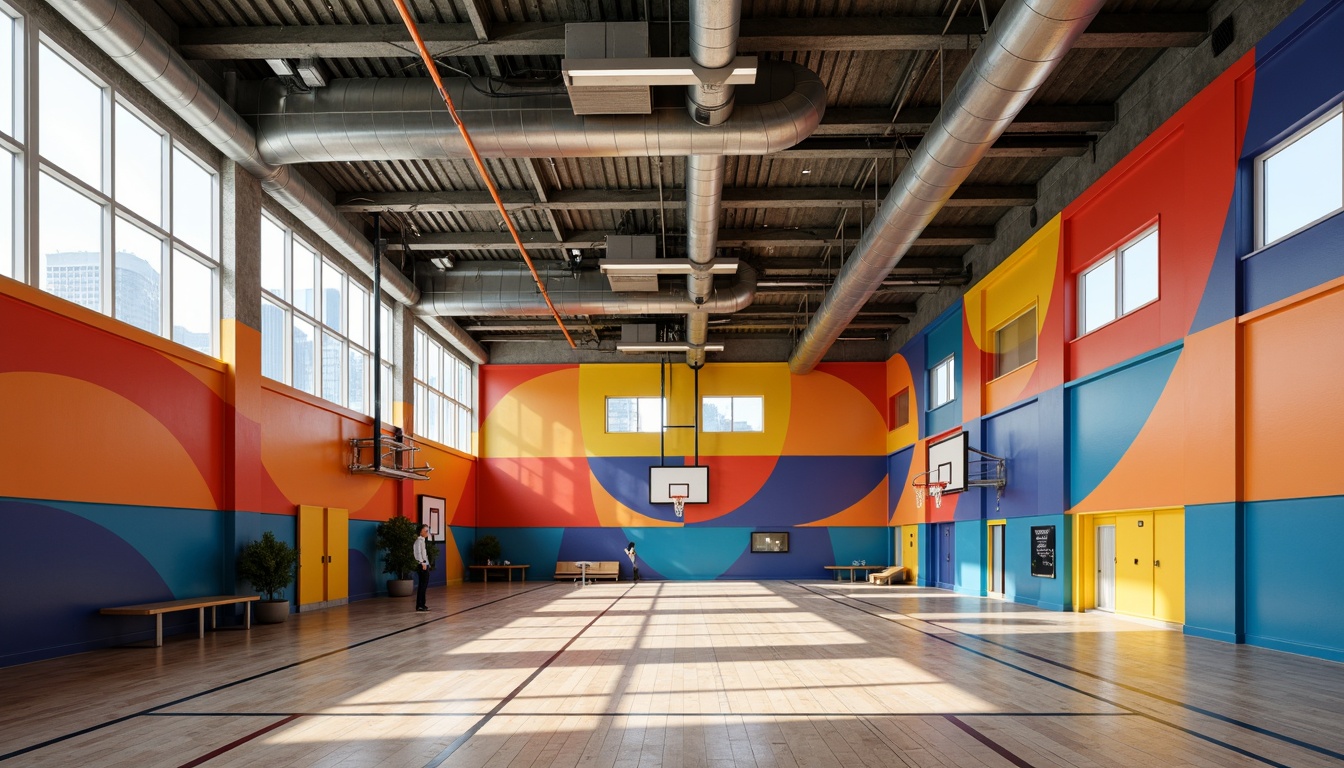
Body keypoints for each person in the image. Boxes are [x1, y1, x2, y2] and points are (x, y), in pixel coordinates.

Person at [413, 524, 431, 611]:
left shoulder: (423, 541)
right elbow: (418, 554)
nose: (428, 532)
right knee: (422, 585)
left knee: (424, 585)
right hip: (422, 565)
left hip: (425, 564)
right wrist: (422, 562)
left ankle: (422, 604)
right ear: (421, 532)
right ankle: (419, 605)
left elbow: (424, 554)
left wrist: (427, 563)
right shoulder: (418, 542)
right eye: (426, 531)